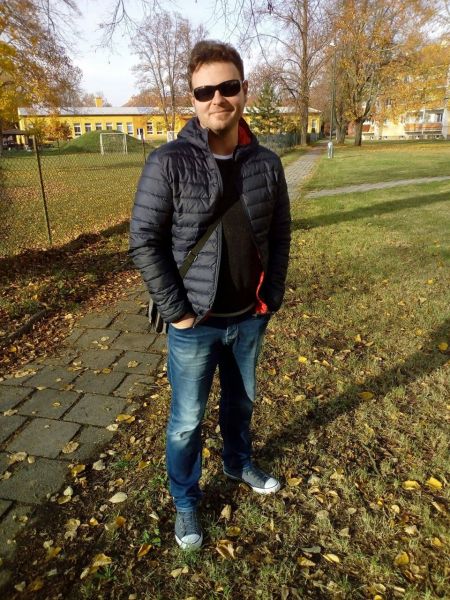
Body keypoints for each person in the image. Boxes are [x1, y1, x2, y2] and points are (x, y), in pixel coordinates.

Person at [129, 40, 291, 550]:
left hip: (249, 318)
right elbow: (144, 241)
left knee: (241, 404)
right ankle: (186, 501)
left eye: (228, 86)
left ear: (244, 90)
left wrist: (272, 295)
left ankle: (238, 463)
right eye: (205, 91)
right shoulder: (167, 162)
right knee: (186, 421)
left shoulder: (267, 163)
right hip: (195, 323)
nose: (217, 98)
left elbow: (280, 233)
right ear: (193, 99)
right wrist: (177, 313)